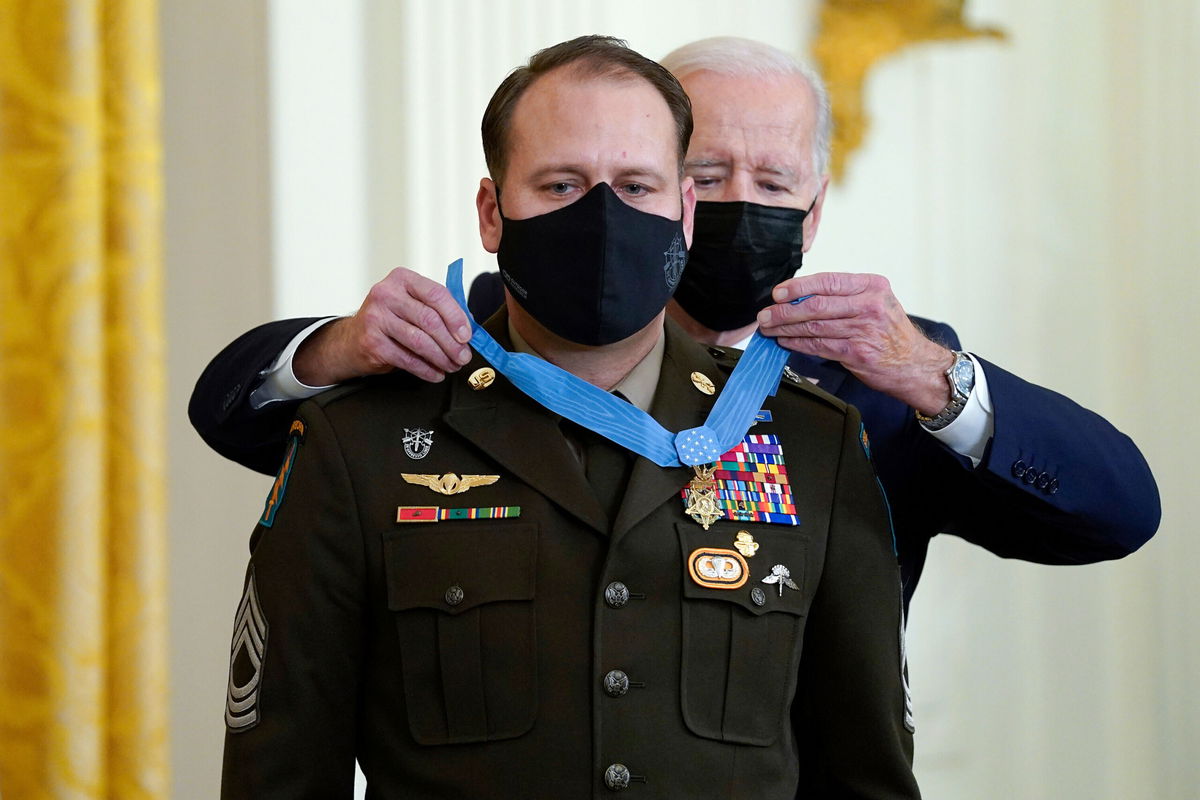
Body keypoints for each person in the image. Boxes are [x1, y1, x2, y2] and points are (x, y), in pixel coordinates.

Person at [190, 37, 1160, 613]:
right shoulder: (488, 334)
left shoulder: (882, 373)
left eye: (773, 181)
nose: (739, 202)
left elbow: (1119, 511)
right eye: (703, 175)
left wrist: (943, 383)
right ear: (658, 189)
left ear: (815, 212)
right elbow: (230, 409)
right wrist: (333, 349)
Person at [219, 36, 919, 798]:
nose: (603, 217)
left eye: (637, 185)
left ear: (685, 214)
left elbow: (866, 775)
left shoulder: (815, 442)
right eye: (560, 185)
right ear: (492, 213)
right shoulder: (359, 444)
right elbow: (279, 776)